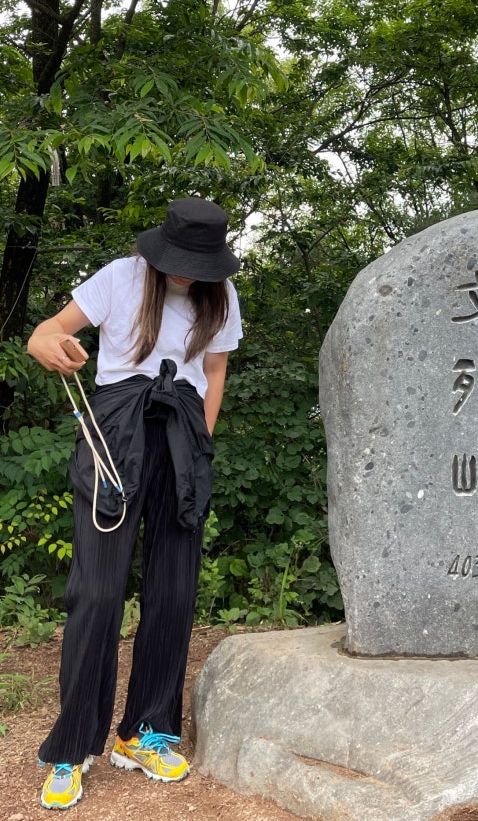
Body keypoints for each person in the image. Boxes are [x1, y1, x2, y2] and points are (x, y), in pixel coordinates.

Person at [27, 197, 243, 811]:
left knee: (174, 590)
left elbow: (216, 371)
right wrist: (47, 345)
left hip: (183, 437)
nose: (184, 273)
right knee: (96, 591)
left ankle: (144, 731)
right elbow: (49, 332)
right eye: (176, 261)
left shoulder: (221, 296)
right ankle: (73, 744)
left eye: (195, 264)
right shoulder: (121, 278)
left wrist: (199, 445)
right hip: (114, 433)